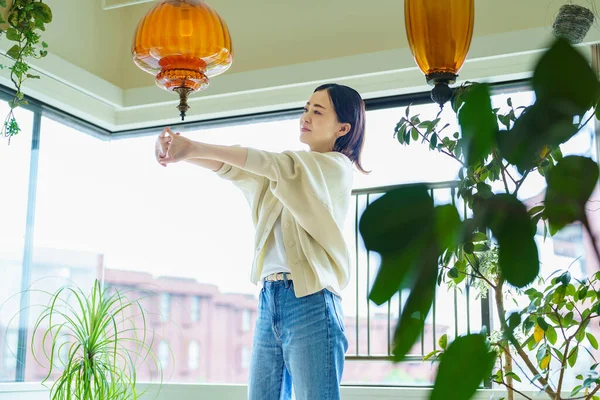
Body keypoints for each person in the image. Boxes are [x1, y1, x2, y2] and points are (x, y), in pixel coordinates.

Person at [154, 83, 368, 400]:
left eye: (317, 111)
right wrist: (183, 153)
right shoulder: (288, 175)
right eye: (306, 108)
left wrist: (194, 146)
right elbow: (238, 169)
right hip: (270, 298)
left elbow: (273, 164)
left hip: (311, 301)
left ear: (343, 128)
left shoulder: (334, 168)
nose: (305, 116)